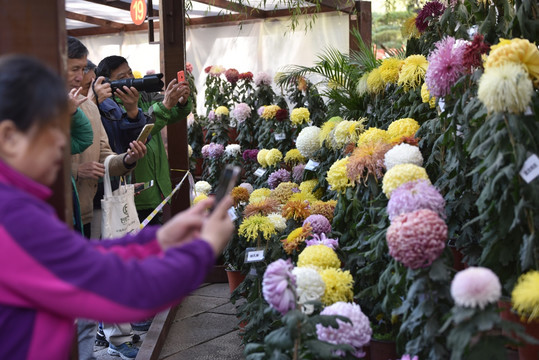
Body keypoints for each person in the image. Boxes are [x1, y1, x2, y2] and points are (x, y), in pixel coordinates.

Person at [0, 54, 234, 360]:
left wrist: (159, 240)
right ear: (9, 137)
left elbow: (86, 260)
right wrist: (203, 249)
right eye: (54, 128)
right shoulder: (13, 217)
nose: (63, 143)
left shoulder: (17, 201)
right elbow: (118, 290)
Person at [67, 36, 148, 359]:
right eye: (74, 68)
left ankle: (98, 346)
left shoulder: (88, 105)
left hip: (88, 213)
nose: (79, 75)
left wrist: (126, 160)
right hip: (57, 218)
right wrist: (75, 171)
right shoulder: (39, 106)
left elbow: (105, 158)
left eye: (81, 68)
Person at [95, 55, 192, 226]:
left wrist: (182, 100)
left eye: (130, 73)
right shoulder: (108, 107)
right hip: (132, 190)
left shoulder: (144, 96)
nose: (129, 80)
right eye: (121, 78)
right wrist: (164, 106)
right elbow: (142, 133)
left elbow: (174, 112)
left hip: (155, 187)